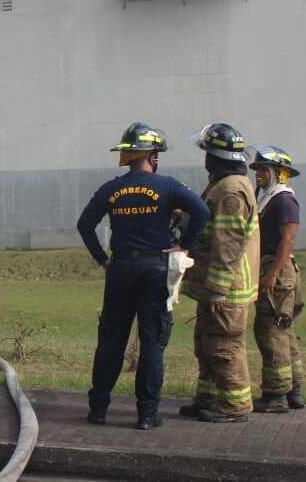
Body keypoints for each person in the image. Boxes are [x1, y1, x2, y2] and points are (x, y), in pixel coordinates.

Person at [77, 122, 209, 430]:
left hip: (120, 269)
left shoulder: (111, 189)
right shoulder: (168, 186)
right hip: (155, 270)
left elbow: (84, 225)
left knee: (111, 340)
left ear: (127, 155)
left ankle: (98, 409)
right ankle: (147, 414)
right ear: (153, 155)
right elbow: (201, 212)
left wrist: (102, 260)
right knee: (152, 341)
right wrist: (183, 246)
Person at [181, 122, 261, 423]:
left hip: (227, 288)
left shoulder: (230, 190)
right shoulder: (224, 185)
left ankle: (235, 405)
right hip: (217, 286)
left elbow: (227, 245)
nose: (204, 158)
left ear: (215, 156)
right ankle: (209, 398)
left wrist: (216, 289)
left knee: (224, 346)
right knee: (206, 344)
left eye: (205, 152)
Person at [249, 145, 306, 412]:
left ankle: (276, 395)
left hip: (277, 271)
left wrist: (271, 274)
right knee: (284, 331)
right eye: (257, 169)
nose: (258, 173)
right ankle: (294, 390)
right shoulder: (268, 197)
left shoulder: (284, 199)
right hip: (271, 267)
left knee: (270, 331)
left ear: (278, 173)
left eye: (263, 169)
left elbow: (288, 239)